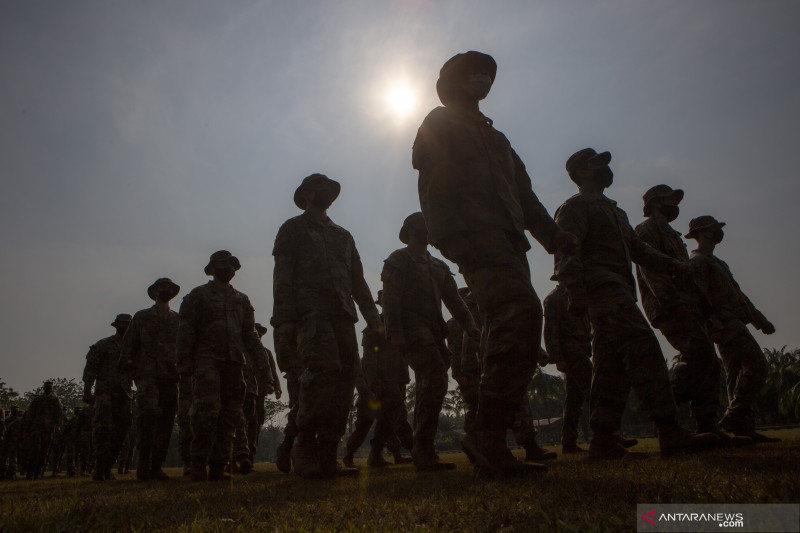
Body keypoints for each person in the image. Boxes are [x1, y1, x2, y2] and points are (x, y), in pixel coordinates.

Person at [412, 51, 576, 478]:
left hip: (510, 243)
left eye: (487, 73)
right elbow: (433, 186)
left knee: (517, 326)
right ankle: (486, 437)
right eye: (473, 73)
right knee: (521, 314)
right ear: (454, 81)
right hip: (476, 238)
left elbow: (525, 194)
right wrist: (450, 238)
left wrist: (554, 237)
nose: (482, 78)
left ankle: (488, 438)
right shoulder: (439, 123)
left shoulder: (497, 138)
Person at [553, 148, 718, 458]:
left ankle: (603, 439)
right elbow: (564, 253)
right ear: (582, 171)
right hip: (603, 291)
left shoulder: (615, 212)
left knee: (609, 367)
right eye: (597, 163)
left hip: (620, 292)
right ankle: (669, 431)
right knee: (644, 348)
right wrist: (574, 291)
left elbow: (638, 250)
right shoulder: (575, 208)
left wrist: (675, 265)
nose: (605, 167)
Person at [272, 173, 382, 478]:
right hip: (311, 313)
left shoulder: (343, 235)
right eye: (320, 189)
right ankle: (303, 446)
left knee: (347, 378)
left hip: (343, 314)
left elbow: (357, 280)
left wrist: (373, 317)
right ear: (307, 194)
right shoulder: (293, 228)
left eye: (329, 190)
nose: (326, 194)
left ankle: (329, 452)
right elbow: (282, 275)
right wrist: (285, 319)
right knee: (322, 374)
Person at [635, 187, 749, 445]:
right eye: (670, 199)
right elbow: (652, 271)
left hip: (687, 305)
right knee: (699, 353)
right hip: (670, 306)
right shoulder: (647, 230)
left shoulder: (672, 235)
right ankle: (666, 409)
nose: (675, 204)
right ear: (654, 203)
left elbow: (687, 276)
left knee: (708, 361)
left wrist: (702, 307)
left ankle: (707, 425)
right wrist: (672, 303)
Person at [382, 212, 478, 471]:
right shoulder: (399, 260)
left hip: (435, 332)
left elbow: (453, 299)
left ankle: (424, 447)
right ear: (411, 229)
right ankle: (422, 448)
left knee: (434, 384)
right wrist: (395, 333)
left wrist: (469, 324)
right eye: (423, 225)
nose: (428, 230)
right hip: (412, 330)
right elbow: (390, 300)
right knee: (434, 378)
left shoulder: (438, 265)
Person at [177, 251, 270, 481]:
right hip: (206, 361)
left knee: (230, 415)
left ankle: (219, 466)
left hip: (234, 363)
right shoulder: (198, 296)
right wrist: (184, 362)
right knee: (206, 412)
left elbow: (250, 333)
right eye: (223, 265)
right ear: (214, 268)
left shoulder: (242, 299)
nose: (228, 269)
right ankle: (198, 463)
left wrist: (261, 359)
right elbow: (186, 331)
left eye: (231, 265)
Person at [686, 216, 778, 442]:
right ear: (701, 233)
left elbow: (738, 296)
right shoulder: (698, 262)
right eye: (713, 228)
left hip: (733, 321)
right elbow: (698, 296)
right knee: (757, 364)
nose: (717, 232)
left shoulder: (718, 262)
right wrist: (712, 324)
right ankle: (734, 415)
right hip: (724, 324)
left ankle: (743, 428)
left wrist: (759, 320)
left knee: (736, 375)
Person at [342, 291, 413, 468]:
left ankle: (377, 455)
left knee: (388, 421)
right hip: (380, 382)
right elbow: (369, 360)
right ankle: (349, 455)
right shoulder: (375, 327)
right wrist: (373, 385)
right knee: (365, 423)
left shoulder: (402, 325)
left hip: (398, 379)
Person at [120, 277, 181, 481]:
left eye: (168, 289)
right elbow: (129, 346)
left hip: (171, 377)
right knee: (147, 417)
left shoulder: (177, 320)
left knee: (166, 422)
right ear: (154, 292)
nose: (165, 291)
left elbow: (185, 347)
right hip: (147, 376)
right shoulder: (142, 317)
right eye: (161, 288)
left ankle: (157, 466)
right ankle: (143, 465)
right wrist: (127, 373)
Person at [543, 282, 592, 453]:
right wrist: (557, 358)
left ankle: (569, 442)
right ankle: (607, 433)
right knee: (593, 390)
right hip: (571, 352)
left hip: (581, 350)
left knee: (574, 400)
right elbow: (550, 331)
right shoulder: (554, 299)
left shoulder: (577, 295)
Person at [83, 314, 133, 480]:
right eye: (122, 324)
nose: (125, 327)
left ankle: (108, 466)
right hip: (105, 392)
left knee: (122, 431)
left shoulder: (133, 347)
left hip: (125, 394)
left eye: (128, 324)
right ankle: (99, 468)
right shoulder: (103, 344)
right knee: (103, 429)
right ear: (116, 325)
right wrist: (87, 390)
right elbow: (91, 367)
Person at [23, 381, 63, 478]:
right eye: (47, 386)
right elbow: (30, 414)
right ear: (44, 387)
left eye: (50, 386)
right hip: (37, 427)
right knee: (34, 450)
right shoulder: (37, 400)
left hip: (48, 429)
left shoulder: (55, 400)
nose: (49, 388)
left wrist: (56, 426)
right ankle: (30, 472)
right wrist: (27, 428)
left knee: (44, 451)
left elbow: (59, 414)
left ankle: (38, 472)